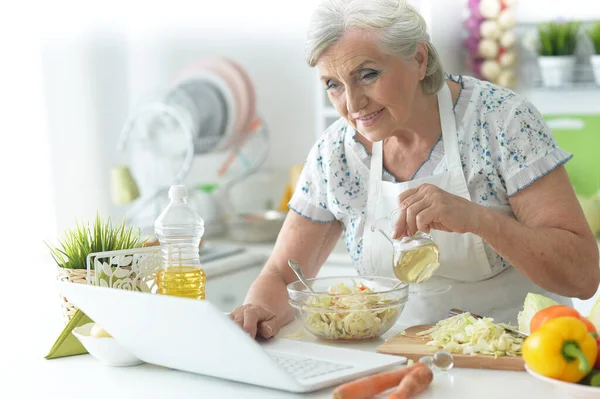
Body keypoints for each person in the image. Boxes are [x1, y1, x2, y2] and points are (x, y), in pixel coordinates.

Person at [230, 0, 600, 339]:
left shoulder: (502, 121)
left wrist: (479, 220)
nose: (353, 104)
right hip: (396, 362)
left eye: (368, 74)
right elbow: (282, 275)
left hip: (518, 358)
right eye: (333, 85)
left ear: (419, 58)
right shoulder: (335, 154)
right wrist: (256, 314)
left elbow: (583, 275)